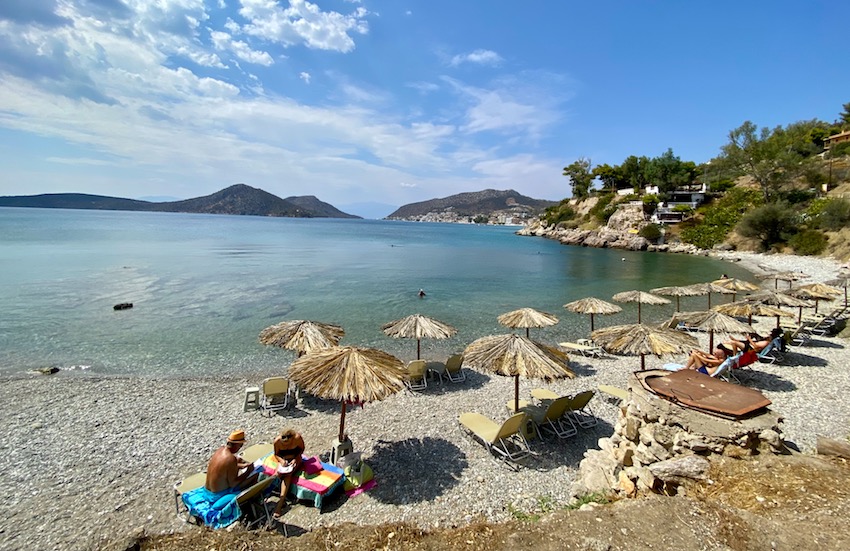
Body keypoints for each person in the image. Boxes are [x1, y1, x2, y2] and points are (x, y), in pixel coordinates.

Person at [271, 428, 306, 520]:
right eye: (284, 444)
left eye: (288, 443)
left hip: (295, 459)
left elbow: (301, 450)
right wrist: (282, 461)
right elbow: (276, 454)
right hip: (283, 461)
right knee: (276, 474)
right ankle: (266, 493)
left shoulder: (297, 438)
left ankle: (280, 502)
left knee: (288, 475)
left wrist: (296, 459)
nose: (286, 445)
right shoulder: (277, 441)